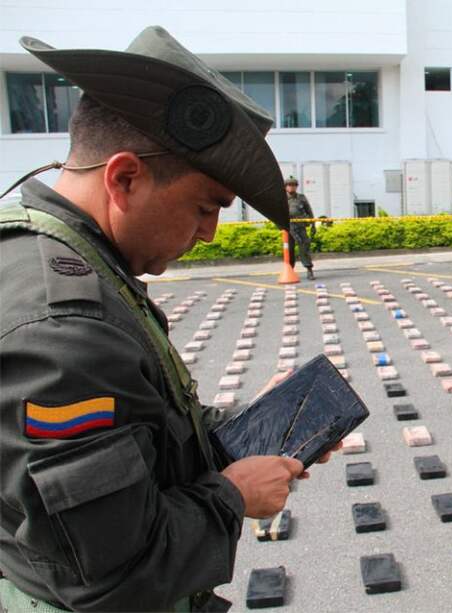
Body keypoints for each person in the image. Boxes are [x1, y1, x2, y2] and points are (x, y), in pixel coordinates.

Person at [0, 27, 337, 612]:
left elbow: (137, 434)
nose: (209, 233)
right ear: (124, 178)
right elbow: (116, 572)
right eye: (205, 207)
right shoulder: (63, 331)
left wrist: (245, 427)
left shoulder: (61, 259)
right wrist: (233, 497)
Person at [284, 176, 316, 279]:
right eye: (289, 185)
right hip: (288, 228)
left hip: (300, 226)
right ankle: (290, 271)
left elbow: (309, 211)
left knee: (304, 248)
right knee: (289, 250)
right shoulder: (282, 198)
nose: (291, 187)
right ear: (285, 187)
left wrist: (313, 225)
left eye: (294, 185)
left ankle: (309, 269)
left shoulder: (301, 197)